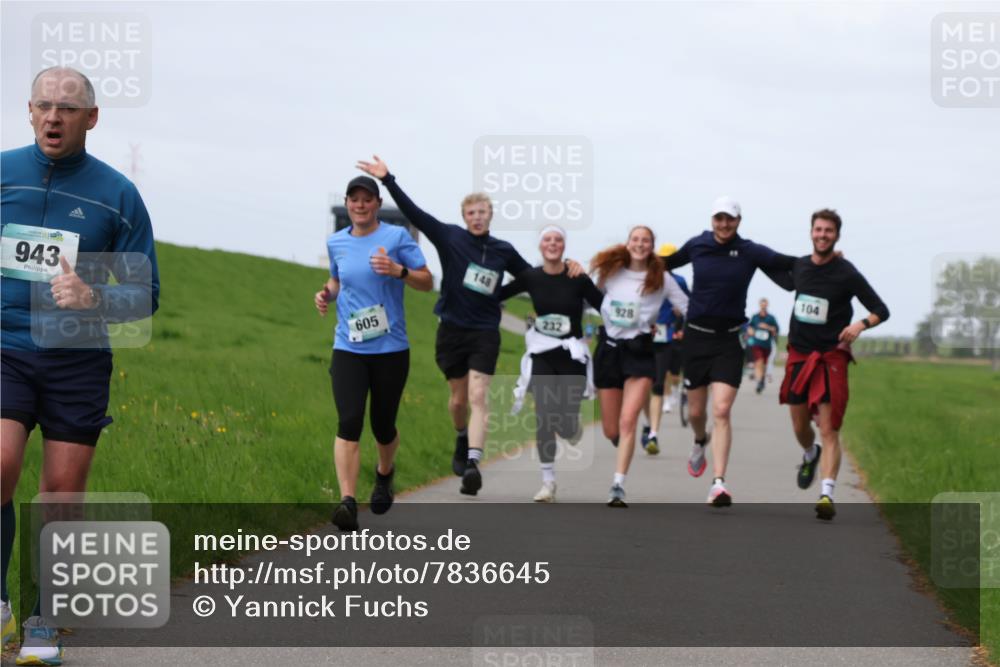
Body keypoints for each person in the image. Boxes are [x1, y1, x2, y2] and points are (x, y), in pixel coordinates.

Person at [1, 67, 160, 666]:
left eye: (67, 109)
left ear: (91, 118)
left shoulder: (118, 195)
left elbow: (145, 295)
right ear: (29, 110)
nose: (53, 117)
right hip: (5, 347)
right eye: (43, 105)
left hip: (77, 361)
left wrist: (93, 295)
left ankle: (43, 620)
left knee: (61, 495)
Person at [355, 156, 583, 496]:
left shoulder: (503, 250)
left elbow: (536, 278)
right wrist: (388, 180)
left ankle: (473, 464)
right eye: (472, 212)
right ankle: (462, 436)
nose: (477, 217)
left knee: (478, 395)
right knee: (458, 401)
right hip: (451, 330)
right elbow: (415, 214)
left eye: (483, 212)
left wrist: (567, 267)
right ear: (464, 217)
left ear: (490, 215)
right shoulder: (450, 237)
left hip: (485, 332)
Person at [316, 175, 432, 531]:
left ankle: (384, 473)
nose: (360, 205)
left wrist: (398, 271)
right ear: (347, 203)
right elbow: (337, 279)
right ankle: (347, 502)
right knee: (349, 421)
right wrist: (326, 293)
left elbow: (427, 281)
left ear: (378, 204)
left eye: (367, 199)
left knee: (382, 425)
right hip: (348, 346)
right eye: (354, 199)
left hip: (390, 349)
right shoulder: (336, 242)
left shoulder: (396, 238)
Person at [664, 196, 796, 507]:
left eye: (730, 219)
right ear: (712, 220)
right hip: (696, 338)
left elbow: (787, 262)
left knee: (721, 411)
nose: (724, 224)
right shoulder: (697, 245)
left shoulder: (749, 250)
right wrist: (628, 260)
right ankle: (700, 440)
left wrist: (824, 260)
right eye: (719, 218)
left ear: (739, 221)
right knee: (696, 413)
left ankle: (718, 483)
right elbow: (664, 264)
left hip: (729, 341)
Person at [777, 209, 889, 520]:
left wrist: (860, 325)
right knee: (799, 425)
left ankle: (826, 493)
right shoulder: (799, 266)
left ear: (837, 235)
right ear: (811, 232)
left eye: (828, 231)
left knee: (829, 428)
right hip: (800, 356)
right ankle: (809, 453)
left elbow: (881, 309)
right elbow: (764, 260)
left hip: (830, 358)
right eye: (818, 229)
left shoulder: (846, 273)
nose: (823, 235)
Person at [500, 226, 604, 502]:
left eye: (558, 239)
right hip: (543, 353)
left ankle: (572, 427)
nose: (553, 243)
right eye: (547, 239)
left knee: (565, 423)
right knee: (544, 416)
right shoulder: (531, 277)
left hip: (572, 356)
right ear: (540, 245)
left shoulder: (577, 277)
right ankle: (548, 482)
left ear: (564, 245)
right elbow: (495, 294)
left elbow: (603, 305)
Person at [592, 227, 689, 507]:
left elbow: (687, 307)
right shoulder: (611, 272)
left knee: (628, 420)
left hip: (641, 351)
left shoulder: (662, 278)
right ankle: (622, 441)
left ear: (652, 246)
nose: (640, 244)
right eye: (635, 239)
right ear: (627, 243)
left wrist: (699, 331)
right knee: (612, 430)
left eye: (645, 240)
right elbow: (589, 297)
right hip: (610, 351)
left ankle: (618, 485)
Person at [640, 243, 689, 455]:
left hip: (667, 335)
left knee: (660, 382)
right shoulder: (645, 278)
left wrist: (683, 327)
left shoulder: (678, 281)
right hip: (644, 336)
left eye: (669, 259)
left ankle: (653, 434)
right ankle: (648, 422)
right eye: (662, 259)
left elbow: (688, 306)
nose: (665, 263)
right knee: (644, 385)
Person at [746, 298, 779, 394]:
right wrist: (750, 330)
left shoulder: (771, 318)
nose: (763, 306)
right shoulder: (755, 317)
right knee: (759, 361)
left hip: (767, 344)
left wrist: (767, 327)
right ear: (760, 305)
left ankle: (762, 379)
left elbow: (776, 329)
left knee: (763, 364)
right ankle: (759, 382)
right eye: (762, 304)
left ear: (767, 305)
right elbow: (749, 327)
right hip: (756, 343)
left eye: (765, 305)